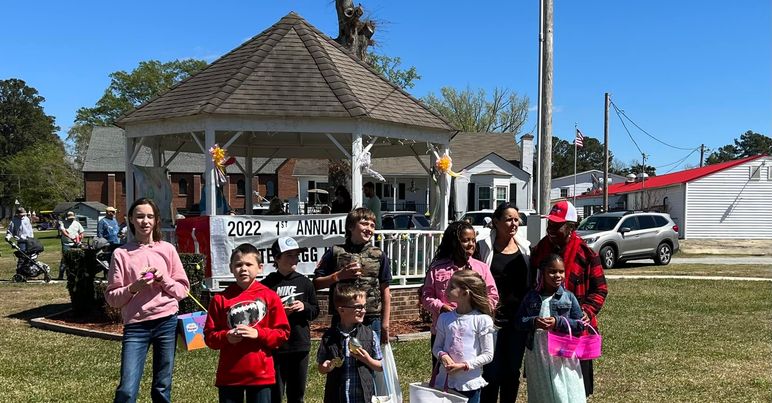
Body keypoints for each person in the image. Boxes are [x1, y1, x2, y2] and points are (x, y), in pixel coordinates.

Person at [105, 198, 191, 403]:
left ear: (156, 221)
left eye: (150, 216)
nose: (145, 221)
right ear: (131, 220)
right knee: (127, 389)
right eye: (140, 216)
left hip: (166, 322)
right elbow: (112, 299)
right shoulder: (121, 253)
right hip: (136, 327)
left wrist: (163, 279)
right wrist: (134, 287)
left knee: (162, 386)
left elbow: (182, 291)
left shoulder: (167, 249)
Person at [530, 200, 608, 397]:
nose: (551, 229)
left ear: (571, 227)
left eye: (557, 225)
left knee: (577, 387)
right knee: (547, 385)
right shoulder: (541, 249)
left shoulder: (586, 253)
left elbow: (600, 289)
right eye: (550, 224)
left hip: (575, 330)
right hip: (545, 331)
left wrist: (588, 312)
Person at [204, 243, 291, 403]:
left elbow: (282, 334)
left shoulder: (270, 297)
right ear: (231, 268)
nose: (243, 269)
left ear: (260, 267)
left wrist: (259, 333)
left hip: (260, 375)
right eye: (238, 264)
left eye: (249, 264)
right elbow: (209, 337)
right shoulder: (220, 299)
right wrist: (226, 336)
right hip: (230, 375)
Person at [421, 221, 498, 366]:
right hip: (443, 332)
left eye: (473, 240)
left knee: (468, 371)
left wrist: (477, 310)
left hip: (472, 333)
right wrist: (441, 307)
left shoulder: (481, 268)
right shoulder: (438, 268)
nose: (471, 244)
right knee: (442, 374)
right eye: (465, 240)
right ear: (454, 242)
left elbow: (492, 295)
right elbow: (426, 296)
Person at [476, 203, 531, 403]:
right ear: (496, 222)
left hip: (518, 321)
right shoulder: (483, 248)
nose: (513, 223)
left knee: (512, 371)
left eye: (516, 219)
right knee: (491, 371)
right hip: (491, 320)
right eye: (508, 219)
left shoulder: (525, 248)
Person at [313, 207, 392, 345]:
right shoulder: (335, 252)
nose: (369, 229)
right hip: (342, 317)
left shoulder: (379, 255)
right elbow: (316, 284)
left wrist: (385, 324)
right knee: (340, 358)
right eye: (364, 224)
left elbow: (385, 289)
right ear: (350, 226)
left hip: (371, 318)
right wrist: (338, 276)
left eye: (372, 225)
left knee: (370, 361)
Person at [515, 254, 586, 403]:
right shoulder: (531, 297)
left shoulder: (568, 297)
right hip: (538, 353)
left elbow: (579, 325)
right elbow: (519, 322)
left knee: (565, 386)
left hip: (562, 352)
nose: (557, 275)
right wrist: (534, 322)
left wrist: (558, 322)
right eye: (552, 271)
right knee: (541, 391)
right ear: (543, 273)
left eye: (561, 271)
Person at [261, 237, 320, 403]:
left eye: (296, 255)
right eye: (289, 255)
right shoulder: (267, 284)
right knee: (275, 394)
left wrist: (304, 307)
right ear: (277, 258)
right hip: (275, 346)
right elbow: (260, 315)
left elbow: (315, 311)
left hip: (299, 344)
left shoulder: (305, 282)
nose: (294, 259)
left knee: (297, 394)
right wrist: (278, 312)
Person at [432, 270, 496, 403]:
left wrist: (464, 365)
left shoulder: (482, 320)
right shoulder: (445, 318)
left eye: (451, 287)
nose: (446, 289)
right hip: (445, 382)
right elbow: (437, 347)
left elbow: (488, 354)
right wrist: (443, 355)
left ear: (465, 293)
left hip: (469, 383)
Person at [317, 283, 383, 403]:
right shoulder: (329, 337)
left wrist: (367, 359)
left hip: (363, 396)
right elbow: (321, 368)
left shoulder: (370, 334)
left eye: (364, 306)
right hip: (336, 396)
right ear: (342, 310)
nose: (363, 311)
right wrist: (327, 366)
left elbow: (380, 366)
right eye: (358, 307)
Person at [57, 211, 85, 280]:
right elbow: (64, 232)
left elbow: (82, 232)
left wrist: (81, 237)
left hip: (75, 244)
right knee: (65, 259)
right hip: (66, 244)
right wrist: (71, 237)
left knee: (76, 259)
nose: (71, 219)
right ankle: (61, 275)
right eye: (70, 218)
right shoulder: (63, 223)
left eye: (72, 218)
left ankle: (73, 274)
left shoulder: (77, 223)